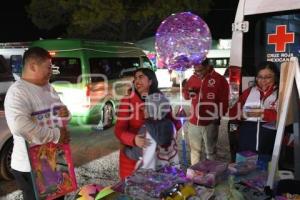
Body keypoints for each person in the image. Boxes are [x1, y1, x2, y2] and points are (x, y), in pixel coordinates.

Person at [4, 47, 70, 200]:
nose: (51, 71)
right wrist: (56, 135)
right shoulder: (18, 92)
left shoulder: (49, 88)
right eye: (48, 67)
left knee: (58, 197)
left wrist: (66, 114)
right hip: (30, 166)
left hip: (53, 159)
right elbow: (21, 127)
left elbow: (62, 113)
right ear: (33, 66)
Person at [114, 68, 180, 180]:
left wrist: (175, 124)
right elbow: (119, 130)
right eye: (135, 78)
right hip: (133, 158)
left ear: (150, 81)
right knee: (133, 190)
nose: (137, 81)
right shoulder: (128, 100)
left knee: (155, 187)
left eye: (141, 77)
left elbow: (172, 122)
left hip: (157, 156)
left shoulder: (160, 98)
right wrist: (134, 139)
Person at [183, 58, 229, 165]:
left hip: (210, 122)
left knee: (211, 152)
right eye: (195, 71)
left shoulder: (219, 79)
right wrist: (188, 93)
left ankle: (210, 175)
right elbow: (186, 96)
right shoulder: (193, 78)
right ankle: (195, 175)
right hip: (194, 121)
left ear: (208, 67)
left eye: (200, 70)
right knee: (194, 151)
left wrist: (218, 117)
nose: (197, 73)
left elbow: (224, 101)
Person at [230, 61, 279, 158]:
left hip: (270, 142)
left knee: (267, 170)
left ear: (276, 77)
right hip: (246, 141)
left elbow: (283, 116)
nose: (263, 80)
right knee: (245, 170)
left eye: (268, 77)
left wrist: (259, 113)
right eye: (260, 77)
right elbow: (233, 113)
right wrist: (240, 115)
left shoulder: (281, 93)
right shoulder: (248, 92)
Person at [124, 92, 179, 170]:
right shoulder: (172, 126)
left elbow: (137, 154)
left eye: (147, 107)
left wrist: (125, 150)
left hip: (148, 174)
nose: (144, 109)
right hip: (169, 169)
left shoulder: (145, 129)